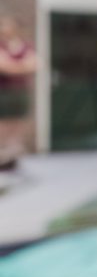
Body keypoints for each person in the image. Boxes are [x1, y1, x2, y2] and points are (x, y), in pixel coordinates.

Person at [0, 16, 37, 170]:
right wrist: (22, 66)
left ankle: (12, 157)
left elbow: (35, 63)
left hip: (20, 93)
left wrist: (14, 66)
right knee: (3, 124)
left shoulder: (25, 45)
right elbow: (4, 66)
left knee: (18, 124)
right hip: (4, 92)